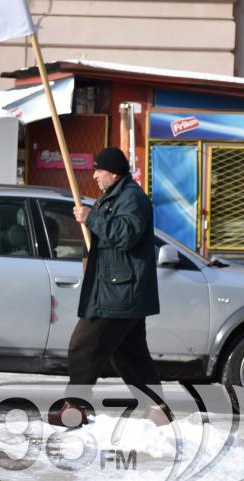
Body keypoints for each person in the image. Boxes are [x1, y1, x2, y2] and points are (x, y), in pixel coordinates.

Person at [52, 146, 165, 427]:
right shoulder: (115, 195)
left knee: (83, 345)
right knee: (129, 354)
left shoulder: (131, 198)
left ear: (113, 173)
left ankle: (74, 407)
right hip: (116, 288)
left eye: (98, 170)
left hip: (119, 292)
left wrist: (92, 217)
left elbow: (125, 234)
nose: (94, 176)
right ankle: (158, 408)